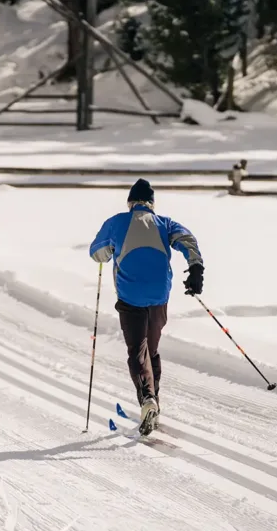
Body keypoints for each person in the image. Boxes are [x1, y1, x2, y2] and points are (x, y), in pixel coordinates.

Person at [88, 178, 204, 433]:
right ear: (151, 204)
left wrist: (110, 252)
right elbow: (188, 240)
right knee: (151, 349)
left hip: (130, 296)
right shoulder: (165, 223)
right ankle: (154, 402)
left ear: (130, 203)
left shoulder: (117, 221)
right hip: (160, 295)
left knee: (137, 351)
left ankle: (147, 399)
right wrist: (196, 267)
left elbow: (97, 252)